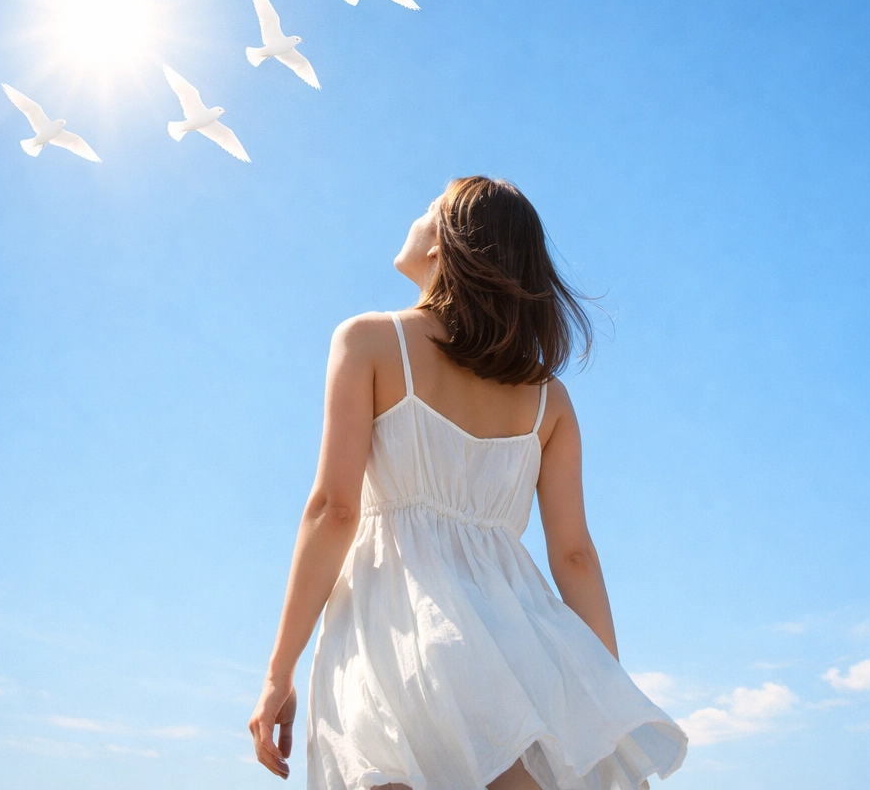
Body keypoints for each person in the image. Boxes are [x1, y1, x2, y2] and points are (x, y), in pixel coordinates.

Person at [250, 176, 687, 790]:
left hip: (399, 627)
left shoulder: (368, 341)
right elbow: (575, 555)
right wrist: (600, 700)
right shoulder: (549, 399)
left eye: (429, 206)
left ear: (444, 243)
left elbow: (334, 511)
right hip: (519, 640)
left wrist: (279, 673)